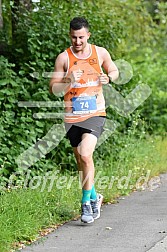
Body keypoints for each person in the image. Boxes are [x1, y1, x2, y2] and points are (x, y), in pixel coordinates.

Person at [50, 17, 119, 223]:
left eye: (81, 37)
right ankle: (95, 196)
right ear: (69, 35)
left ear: (88, 35)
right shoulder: (64, 58)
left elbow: (114, 70)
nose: (77, 41)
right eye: (73, 37)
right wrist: (68, 80)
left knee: (85, 153)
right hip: (72, 117)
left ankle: (85, 204)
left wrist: (110, 78)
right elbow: (54, 89)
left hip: (95, 113)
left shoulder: (100, 53)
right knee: (81, 161)